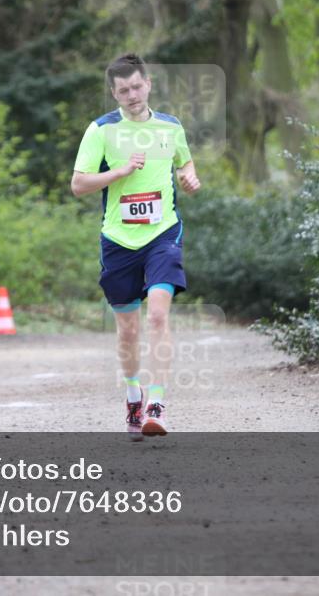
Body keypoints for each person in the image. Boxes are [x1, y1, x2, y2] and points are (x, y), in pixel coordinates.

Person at [71, 53, 201, 440]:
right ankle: (133, 396)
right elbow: (79, 185)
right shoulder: (100, 131)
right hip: (118, 240)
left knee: (158, 316)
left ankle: (157, 403)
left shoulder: (170, 126)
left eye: (136, 86)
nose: (131, 95)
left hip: (163, 233)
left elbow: (186, 164)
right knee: (128, 331)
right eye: (123, 90)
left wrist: (190, 178)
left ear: (149, 84)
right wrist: (121, 171)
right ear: (114, 93)